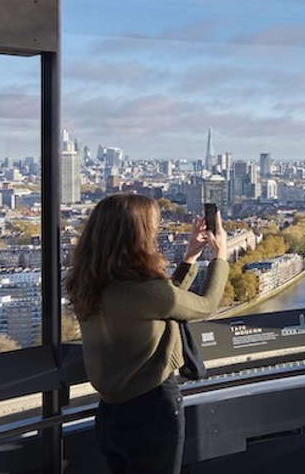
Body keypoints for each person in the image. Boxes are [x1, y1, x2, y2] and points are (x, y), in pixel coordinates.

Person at [64, 194, 230, 473]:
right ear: (136, 235)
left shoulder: (87, 284)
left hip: (110, 415)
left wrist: (190, 256)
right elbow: (206, 306)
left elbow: (159, 303)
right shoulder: (143, 290)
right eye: (153, 227)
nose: (156, 233)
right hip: (152, 410)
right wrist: (220, 257)